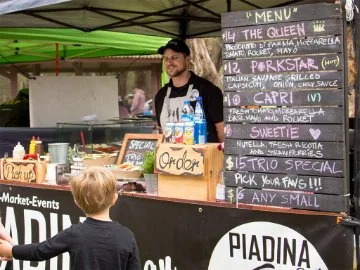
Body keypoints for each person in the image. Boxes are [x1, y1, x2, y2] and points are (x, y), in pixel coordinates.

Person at [0, 167, 141, 270]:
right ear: (114, 199)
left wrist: (11, 250)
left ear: (76, 202)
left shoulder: (74, 234)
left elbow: (40, 251)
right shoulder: (127, 236)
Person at [155, 39, 224, 142]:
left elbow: (222, 130)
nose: (169, 62)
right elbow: (161, 132)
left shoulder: (208, 90)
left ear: (187, 59)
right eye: (166, 58)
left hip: (203, 157)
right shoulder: (161, 95)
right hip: (170, 157)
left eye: (174, 58)